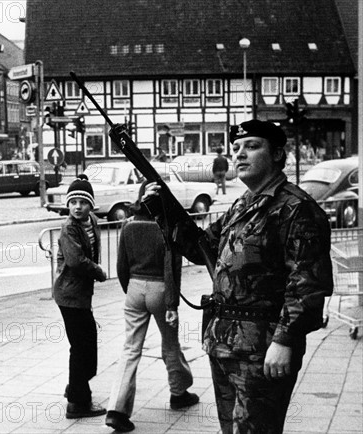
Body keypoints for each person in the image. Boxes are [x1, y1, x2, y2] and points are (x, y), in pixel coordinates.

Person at [143, 119, 333, 433]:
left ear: (276, 154)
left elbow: (308, 282)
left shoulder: (296, 208)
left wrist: (286, 339)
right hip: (224, 343)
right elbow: (203, 248)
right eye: (236, 148)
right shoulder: (241, 205)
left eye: (252, 146)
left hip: (262, 349)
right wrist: (162, 210)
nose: (240, 154)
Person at [106, 182, 199, 432]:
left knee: (130, 348)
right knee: (170, 343)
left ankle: (117, 409)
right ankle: (179, 393)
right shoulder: (167, 229)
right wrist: (171, 304)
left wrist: (132, 289)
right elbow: (172, 268)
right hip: (161, 289)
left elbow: (121, 265)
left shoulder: (128, 225)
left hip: (135, 288)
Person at [53, 177, 108, 419]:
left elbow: (93, 249)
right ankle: (77, 402)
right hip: (69, 294)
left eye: (82, 202)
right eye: (72, 202)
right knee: (81, 347)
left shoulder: (92, 221)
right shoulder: (69, 229)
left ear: (91, 205)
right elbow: (75, 261)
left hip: (81, 294)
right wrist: (98, 271)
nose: (77, 207)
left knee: (86, 344)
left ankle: (75, 388)